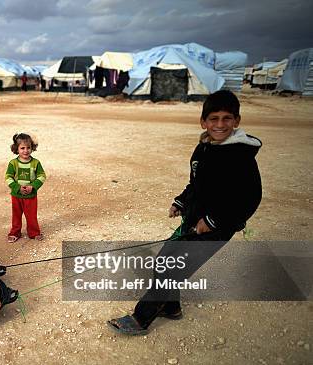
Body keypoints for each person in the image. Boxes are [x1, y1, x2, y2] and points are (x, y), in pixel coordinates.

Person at [108, 90, 262, 335]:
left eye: (226, 118)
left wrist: (213, 221)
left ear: (237, 121)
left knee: (172, 270)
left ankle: (140, 318)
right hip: (192, 221)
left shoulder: (241, 157)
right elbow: (196, 185)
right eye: (213, 118)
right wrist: (181, 202)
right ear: (203, 122)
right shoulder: (202, 150)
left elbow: (249, 199)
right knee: (164, 261)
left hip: (217, 229)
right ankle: (171, 307)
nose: (220, 124)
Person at [5, 133, 47, 242]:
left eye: (28, 147)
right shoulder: (13, 163)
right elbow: (8, 177)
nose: (25, 150)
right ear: (16, 149)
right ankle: (15, 232)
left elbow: (42, 176)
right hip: (16, 195)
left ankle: (34, 233)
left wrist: (33, 186)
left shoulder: (35, 163)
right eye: (22, 148)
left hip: (31, 196)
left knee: (31, 215)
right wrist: (17, 187)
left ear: (32, 148)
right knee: (16, 215)